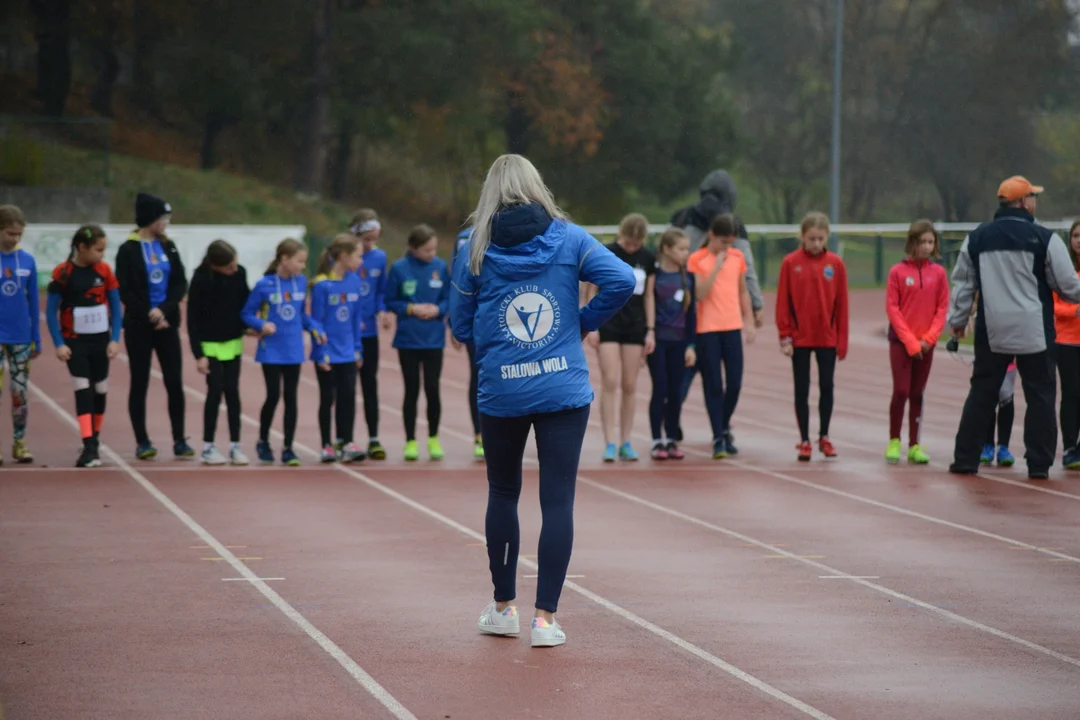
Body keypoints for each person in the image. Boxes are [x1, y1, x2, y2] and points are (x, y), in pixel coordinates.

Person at [449, 153, 635, 648]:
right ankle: (546, 620)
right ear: (537, 186)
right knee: (558, 502)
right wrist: (582, 321)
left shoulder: (472, 246)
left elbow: (461, 324)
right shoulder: (569, 237)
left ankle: (504, 607)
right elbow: (623, 280)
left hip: (502, 389)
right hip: (563, 388)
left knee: (503, 492)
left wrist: (490, 339)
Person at [947, 176, 1080, 480]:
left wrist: (957, 321)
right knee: (1041, 396)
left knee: (982, 391)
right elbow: (1069, 287)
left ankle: (966, 458)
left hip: (992, 328)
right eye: (1033, 196)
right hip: (1034, 329)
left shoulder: (977, 238)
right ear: (1023, 202)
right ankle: (1039, 463)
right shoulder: (1045, 238)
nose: (1035, 201)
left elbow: (963, 284)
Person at [671, 169, 765, 450]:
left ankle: (694, 425)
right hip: (696, 317)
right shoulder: (693, 222)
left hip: (685, 312)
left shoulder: (683, 217)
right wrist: (757, 303)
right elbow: (749, 274)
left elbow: (742, 272)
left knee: (687, 376)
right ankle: (718, 430)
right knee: (698, 378)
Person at [114, 192, 192, 459]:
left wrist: (164, 310)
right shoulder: (128, 249)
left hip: (167, 322)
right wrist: (148, 313)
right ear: (149, 219)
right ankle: (142, 440)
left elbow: (180, 283)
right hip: (139, 325)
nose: (166, 223)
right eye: (163, 218)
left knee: (174, 382)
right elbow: (124, 289)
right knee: (140, 381)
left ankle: (180, 439)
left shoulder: (168, 247)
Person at [45, 226, 123, 468]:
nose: (102, 254)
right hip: (75, 342)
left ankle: (95, 438)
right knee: (82, 389)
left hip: (100, 341)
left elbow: (116, 307)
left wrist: (114, 338)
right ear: (82, 247)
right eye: (98, 250)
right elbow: (50, 312)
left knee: (100, 389)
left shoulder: (104, 271)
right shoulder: (63, 273)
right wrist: (59, 343)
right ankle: (88, 444)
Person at [241, 238, 324, 466]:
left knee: (291, 398)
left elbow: (301, 315)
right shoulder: (264, 284)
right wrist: (261, 325)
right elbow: (247, 313)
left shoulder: (300, 282)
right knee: (273, 395)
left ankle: (288, 447)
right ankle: (263, 441)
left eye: (304, 262)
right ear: (284, 259)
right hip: (271, 350)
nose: (302, 266)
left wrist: (315, 327)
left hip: (293, 349)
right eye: (299, 261)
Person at [775, 211, 849, 462]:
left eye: (820, 238)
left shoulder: (836, 264)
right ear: (802, 237)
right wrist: (785, 336)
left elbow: (842, 305)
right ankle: (804, 439)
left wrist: (842, 340)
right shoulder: (790, 263)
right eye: (811, 238)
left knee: (827, 387)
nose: (816, 243)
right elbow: (783, 301)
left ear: (827, 237)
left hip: (827, 338)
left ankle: (824, 436)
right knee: (801, 389)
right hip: (800, 339)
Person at [582, 213, 655, 462]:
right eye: (628, 243)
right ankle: (609, 442)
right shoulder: (606, 252)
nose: (632, 248)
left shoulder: (648, 258)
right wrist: (591, 326)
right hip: (608, 322)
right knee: (610, 380)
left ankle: (626, 440)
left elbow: (649, 296)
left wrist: (651, 330)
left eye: (637, 244)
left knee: (630, 385)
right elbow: (590, 289)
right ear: (620, 235)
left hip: (635, 325)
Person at [684, 213, 755, 459]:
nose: (728, 247)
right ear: (711, 235)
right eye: (723, 242)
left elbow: (743, 290)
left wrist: (750, 321)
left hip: (732, 326)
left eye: (731, 242)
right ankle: (717, 436)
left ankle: (724, 426)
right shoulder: (696, 259)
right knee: (714, 384)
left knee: (734, 383)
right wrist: (716, 266)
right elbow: (700, 294)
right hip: (707, 329)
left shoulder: (738, 257)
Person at [884, 219, 949, 465]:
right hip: (901, 343)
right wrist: (910, 341)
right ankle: (894, 440)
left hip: (927, 344)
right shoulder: (897, 272)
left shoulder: (939, 274)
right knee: (901, 391)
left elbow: (942, 308)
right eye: (922, 242)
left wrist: (929, 338)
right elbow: (893, 308)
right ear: (912, 242)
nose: (927, 247)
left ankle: (914, 444)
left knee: (917, 393)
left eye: (931, 242)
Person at [385, 224, 450, 462]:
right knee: (411, 389)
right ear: (413, 248)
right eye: (426, 250)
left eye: (433, 249)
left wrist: (438, 309)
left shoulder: (440, 267)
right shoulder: (400, 268)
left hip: (433, 340)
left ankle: (433, 437)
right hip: (408, 340)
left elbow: (448, 299)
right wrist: (411, 308)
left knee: (432, 388)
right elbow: (390, 300)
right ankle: (410, 440)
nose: (431, 254)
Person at [187, 239, 251, 466]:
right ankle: (208, 446)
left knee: (233, 392)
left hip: (233, 342)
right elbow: (192, 319)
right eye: (229, 267)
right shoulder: (201, 279)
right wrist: (199, 354)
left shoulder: (239, 274)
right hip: (210, 344)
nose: (234, 270)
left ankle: (235, 445)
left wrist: (251, 325)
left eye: (235, 264)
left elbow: (246, 303)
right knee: (215, 392)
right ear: (215, 265)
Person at [310, 234, 366, 463]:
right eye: (358, 256)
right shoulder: (322, 285)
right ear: (343, 256)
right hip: (327, 353)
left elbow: (355, 319)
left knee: (348, 397)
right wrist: (319, 352)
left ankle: (346, 440)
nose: (361, 260)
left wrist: (357, 349)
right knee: (327, 398)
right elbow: (316, 321)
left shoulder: (354, 282)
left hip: (347, 353)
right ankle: (326, 444)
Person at [647, 228, 696, 460]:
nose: (686, 253)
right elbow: (648, 304)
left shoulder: (688, 277)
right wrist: (648, 335)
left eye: (687, 249)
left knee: (676, 391)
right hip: (659, 342)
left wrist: (691, 345)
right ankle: (657, 440)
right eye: (681, 249)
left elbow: (692, 314)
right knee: (661, 388)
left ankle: (672, 438)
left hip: (679, 342)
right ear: (666, 249)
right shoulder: (655, 275)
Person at [0, 205, 40, 465]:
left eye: (18, 235)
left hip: (21, 337)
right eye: (9, 233)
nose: (14, 239)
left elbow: (34, 301)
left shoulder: (27, 261)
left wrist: (37, 336)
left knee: (19, 392)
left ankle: (19, 442)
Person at [350, 209, 389, 459]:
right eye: (366, 239)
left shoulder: (379, 258)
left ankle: (373, 438)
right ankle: (344, 438)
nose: (370, 244)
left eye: (374, 239)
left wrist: (382, 311)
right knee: (343, 388)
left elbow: (380, 292)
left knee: (369, 385)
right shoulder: (340, 257)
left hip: (369, 333)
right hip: (344, 335)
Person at [451, 225, 484, 459]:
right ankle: (480, 434)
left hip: (505, 317)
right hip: (476, 320)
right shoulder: (466, 238)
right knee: (479, 374)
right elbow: (457, 279)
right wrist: (455, 323)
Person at [1054, 219, 1080, 470]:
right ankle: (1070, 446)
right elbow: (1054, 303)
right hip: (1067, 342)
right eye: (1076, 235)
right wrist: (1074, 311)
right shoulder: (1063, 271)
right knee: (1072, 394)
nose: (1079, 240)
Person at [980, 361, 1017, 467]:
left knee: (1006, 397)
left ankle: (1003, 447)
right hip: (988, 358)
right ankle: (987, 445)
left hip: (1009, 358)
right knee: (989, 398)